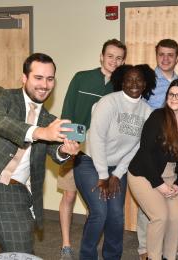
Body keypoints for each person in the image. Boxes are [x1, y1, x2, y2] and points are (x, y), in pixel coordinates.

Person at [0, 53, 80, 259]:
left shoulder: (49, 119)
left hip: (15, 195)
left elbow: (54, 150)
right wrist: (40, 132)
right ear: (24, 78)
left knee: (22, 256)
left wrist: (65, 150)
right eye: (38, 77)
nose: (44, 84)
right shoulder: (1, 97)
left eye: (50, 79)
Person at [74, 64, 155, 260]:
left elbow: (137, 147)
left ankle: (112, 257)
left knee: (116, 215)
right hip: (89, 162)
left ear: (145, 83)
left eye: (139, 80)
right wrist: (103, 175)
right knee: (100, 212)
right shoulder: (108, 102)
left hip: (118, 167)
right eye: (129, 79)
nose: (134, 83)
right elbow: (96, 138)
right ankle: (87, 257)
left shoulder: (147, 111)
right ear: (121, 81)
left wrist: (117, 174)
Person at [58, 38, 126, 259]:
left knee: (100, 208)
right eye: (110, 56)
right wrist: (67, 145)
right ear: (101, 56)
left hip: (105, 154)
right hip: (74, 148)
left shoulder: (122, 86)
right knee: (69, 195)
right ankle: (66, 245)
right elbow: (67, 111)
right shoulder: (82, 78)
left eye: (119, 58)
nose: (114, 61)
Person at [129, 79, 178, 260]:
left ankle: (169, 256)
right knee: (160, 217)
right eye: (171, 94)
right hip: (144, 174)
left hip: (171, 176)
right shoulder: (157, 116)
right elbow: (145, 154)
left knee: (177, 219)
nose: (174, 98)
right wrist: (159, 184)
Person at [136, 39, 178, 260]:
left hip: (170, 149)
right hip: (148, 144)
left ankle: (166, 247)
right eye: (162, 54)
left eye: (170, 55)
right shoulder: (147, 81)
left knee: (167, 209)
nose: (166, 59)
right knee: (150, 204)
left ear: (177, 57)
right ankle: (145, 247)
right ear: (156, 55)